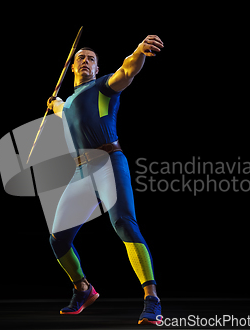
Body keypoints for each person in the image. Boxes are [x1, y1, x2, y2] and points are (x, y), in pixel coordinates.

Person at [46, 35, 164, 325]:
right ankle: (83, 289)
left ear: (97, 68)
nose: (85, 61)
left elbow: (128, 70)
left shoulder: (103, 86)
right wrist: (54, 103)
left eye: (91, 59)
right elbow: (64, 110)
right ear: (73, 67)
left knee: (124, 223)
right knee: (57, 240)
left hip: (109, 161)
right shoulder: (70, 101)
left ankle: (152, 299)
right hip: (81, 172)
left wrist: (138, 52)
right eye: (80, 58)